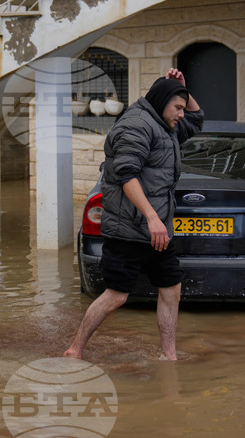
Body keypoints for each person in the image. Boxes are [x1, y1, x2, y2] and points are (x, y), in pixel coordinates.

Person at [65, 68, 203, 361]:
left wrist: (183, 89)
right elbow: (127, 175)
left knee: (171, 288)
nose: (181, 113)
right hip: (129, 228)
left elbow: (196, 120)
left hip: (157, 231)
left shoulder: (165, 125)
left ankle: (169, 355)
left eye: (182, 107)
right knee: (116, 295)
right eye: (177, 107)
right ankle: (75, 349)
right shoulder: (136, 126)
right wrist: (152, 218)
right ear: (161, 101)